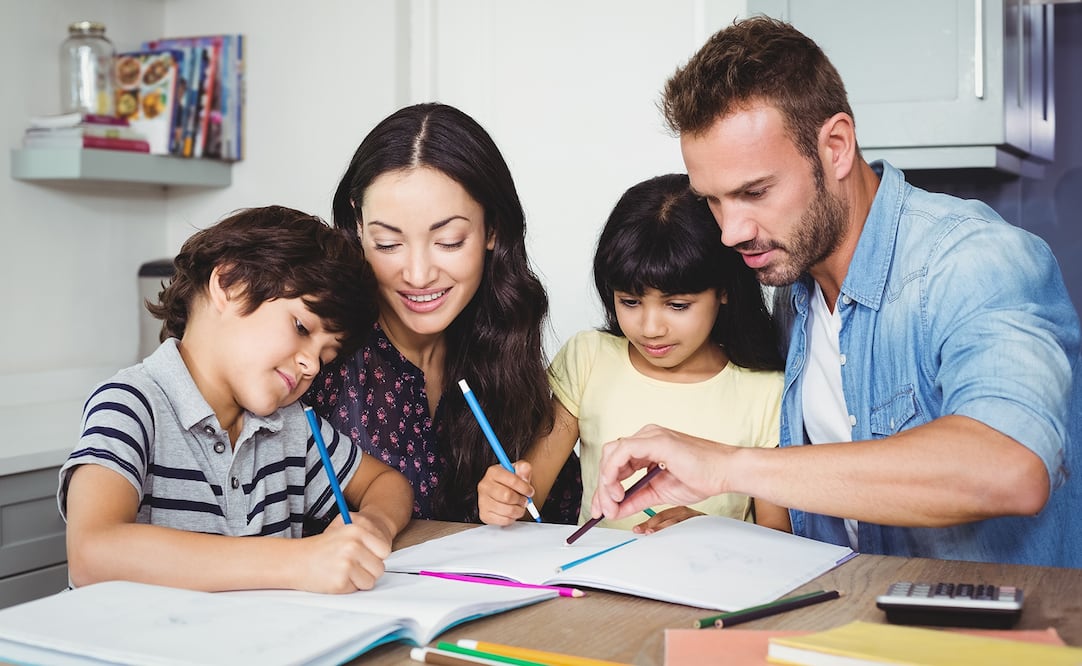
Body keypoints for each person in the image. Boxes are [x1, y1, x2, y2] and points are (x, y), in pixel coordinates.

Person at [591, 16, 1081, 566]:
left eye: (755, 191)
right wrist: (714, 531)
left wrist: (729, 464)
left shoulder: (972, 261)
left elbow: (1009, 467)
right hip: (845, 630)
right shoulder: (791, 288)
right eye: (713, 200)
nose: (730, 232)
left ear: (837, 147)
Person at [59, 206, 414, 593]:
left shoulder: (290, 425)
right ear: (229, 284)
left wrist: (374, 523)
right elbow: (92, 553)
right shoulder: (130, 405)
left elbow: (386, 483)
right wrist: (300, 561)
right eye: (301, 327)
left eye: (326, 356)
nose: (311, 364)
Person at [305, 103, 582, 524]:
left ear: (493, 230)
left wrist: (516, 503)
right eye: (387, 243)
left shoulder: (502, 344)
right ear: (358, 226)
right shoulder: (315, 355)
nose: (417, 275)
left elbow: (562, 522)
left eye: (449, 241)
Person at [477, 174, 790, 533]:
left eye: (677, 305)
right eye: (629, 301)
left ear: (724, 290)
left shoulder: (766, 391)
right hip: (595, 585)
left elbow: (778, 538)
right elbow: (530, 498)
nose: (650, 327)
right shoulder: (589, 358)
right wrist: (505, 498)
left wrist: (708, 531)